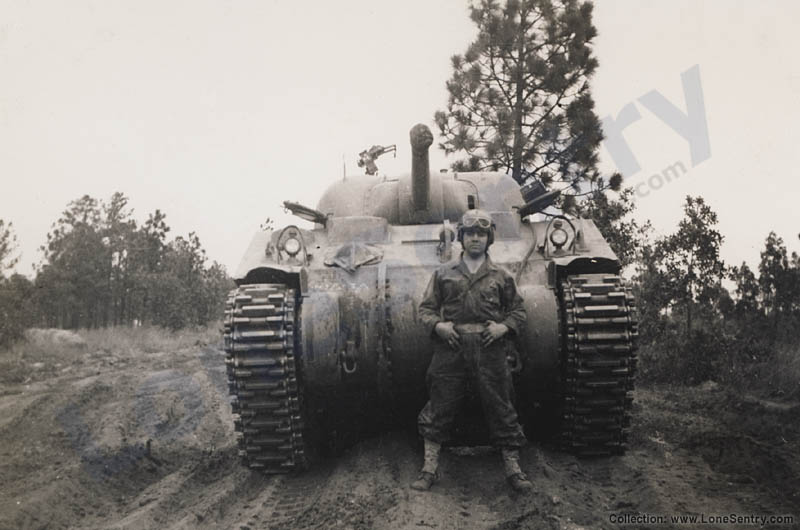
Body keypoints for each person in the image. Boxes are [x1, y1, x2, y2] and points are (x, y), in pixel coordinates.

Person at [411, 209, 533, 493]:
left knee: (501, 405)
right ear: (461, 238)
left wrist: (504, 328)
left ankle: (513, 468)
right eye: (469, 234)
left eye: (481, 234)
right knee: (440, 405)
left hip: (490, 347)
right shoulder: (444, 274)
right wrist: (439, 326)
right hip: (451, 346)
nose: (475, 239)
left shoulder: (500, 276)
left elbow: (518, 310)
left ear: (489, 239)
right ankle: (429, 468)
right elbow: (426, 309)